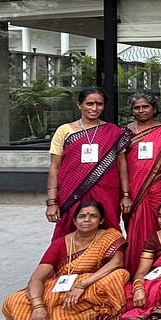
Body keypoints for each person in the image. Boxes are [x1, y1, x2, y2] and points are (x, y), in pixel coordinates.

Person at [2, 201, 129, 320]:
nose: (87, 220)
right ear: (75, 221)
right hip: (62, 290)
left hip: (92, 287)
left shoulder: (110, 236)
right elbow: (36, 279)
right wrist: (38, 306)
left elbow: (117, 263)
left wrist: (82, 285)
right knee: (13, 301)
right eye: (82, 216)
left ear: (101, 220)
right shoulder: (60, 243)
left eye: (93, 216)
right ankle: (51, 317)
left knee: (118, 276)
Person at [45, 88, 131, 239]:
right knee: (69, 230)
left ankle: (110, 262)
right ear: (79, 105)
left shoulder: (113, 131)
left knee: (109, 231)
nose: (94, 108)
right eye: (89, 103)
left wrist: (125, 195)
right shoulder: (64, 131)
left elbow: (122, 165)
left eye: (99, 104)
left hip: (107, 192)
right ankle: (69, 263)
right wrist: (52, 202)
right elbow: (54, 167)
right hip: (72, 191)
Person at [122, 92, 161, 272]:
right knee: (136, 227)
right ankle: (136, 267)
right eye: (136, 108)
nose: (141, 110)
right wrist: (125, 194)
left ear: (154, 109)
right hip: (134, 188)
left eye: (145, 107)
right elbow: (120, 163)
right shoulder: (125, 132)